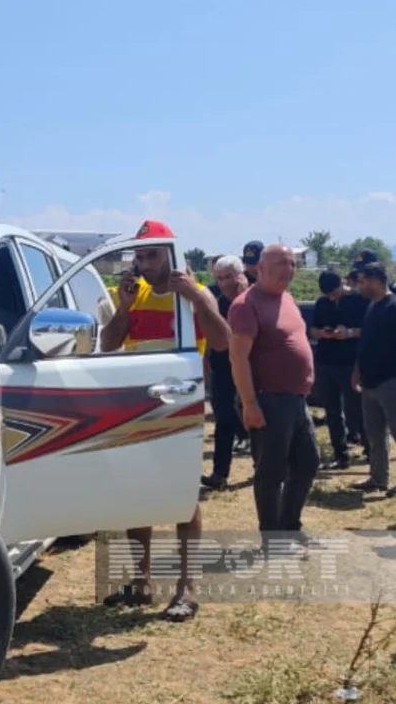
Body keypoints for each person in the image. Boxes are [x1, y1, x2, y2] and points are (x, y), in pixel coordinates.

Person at [100, 220, 231, 621]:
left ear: (170, 255)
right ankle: (140, 582)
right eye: (139, 255)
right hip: (138, 401)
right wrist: (123, 307)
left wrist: (200, 299)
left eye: (152, 254)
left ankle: (186, 588)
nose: (143, 263)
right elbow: (109, 344)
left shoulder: (193, 294)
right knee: (136, 493)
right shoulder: (132, 293)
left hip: (179, 402)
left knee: (183, 496)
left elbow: (223, 341)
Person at [227, 245, 319, 558]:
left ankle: (290, 527)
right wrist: (250, 403)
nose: (288, 268)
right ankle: (273, 540)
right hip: (268, 400)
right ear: (259, 268)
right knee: (272, 471)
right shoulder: (246, 305)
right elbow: (237, 357)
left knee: (308, 463)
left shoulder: (287, 299)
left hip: (295, 399)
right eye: (281, 262)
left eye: (292, 263)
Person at [352, 262, 396, 497]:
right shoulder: (372, 307)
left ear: (378, 281)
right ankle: (378, 478)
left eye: (362, 281)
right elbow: (366, 344)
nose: (359, 286)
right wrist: (357, 371)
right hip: (369, 382)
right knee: (375, 436)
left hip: (391, 381)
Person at [311, 268, 369, 469]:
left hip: (350, 363)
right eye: (328, 294)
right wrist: (323, 333)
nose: (331, 297)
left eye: (335, 293)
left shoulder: (359, 301)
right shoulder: (322, 303)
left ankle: (371, 451)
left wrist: (350, 333)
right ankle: (340, 455)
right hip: (326, 362)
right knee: (332, 411)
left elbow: (370, 331)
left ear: (342, 284)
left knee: (358, 409)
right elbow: (313, 329)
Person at [202, 255, 249, 490]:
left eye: (228, 277)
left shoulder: (252, 300)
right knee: (224, 420)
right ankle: (220, 473)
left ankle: (265, 468)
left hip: (250, 367)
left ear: (239, 276)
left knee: (256, 418)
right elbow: (210, 332)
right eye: (219, 278)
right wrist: (205, 357)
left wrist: (243, 297)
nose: (223, 283)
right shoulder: (217, 301)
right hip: (223, 366)